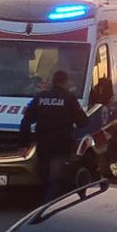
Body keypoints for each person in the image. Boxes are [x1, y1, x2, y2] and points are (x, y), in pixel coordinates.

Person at [23, 70, 88, 203]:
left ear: (53, 81)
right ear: (65, 82)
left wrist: (22, 144)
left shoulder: (40, 97)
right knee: (57, 179)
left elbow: (25, 121)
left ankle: (43, 204)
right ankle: (47, 207)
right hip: (61, 145)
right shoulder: (69, 98)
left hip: (42, 144)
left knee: (45, 178)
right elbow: (83, 122)